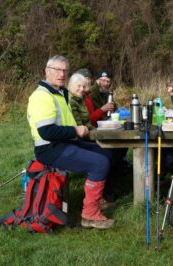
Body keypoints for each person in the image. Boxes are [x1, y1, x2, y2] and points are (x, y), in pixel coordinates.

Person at [27, 55, 114, 230]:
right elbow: (47, 132)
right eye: (57, 70)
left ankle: (96, 198)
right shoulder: (41, 96)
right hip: (50, 148)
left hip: (65, 142)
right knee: (99, 163)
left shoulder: (59, 93)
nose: (62, 74)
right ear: (47, 71)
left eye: (65, 71)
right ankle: (89, 214)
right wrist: (76, 130)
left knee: (104, 152)